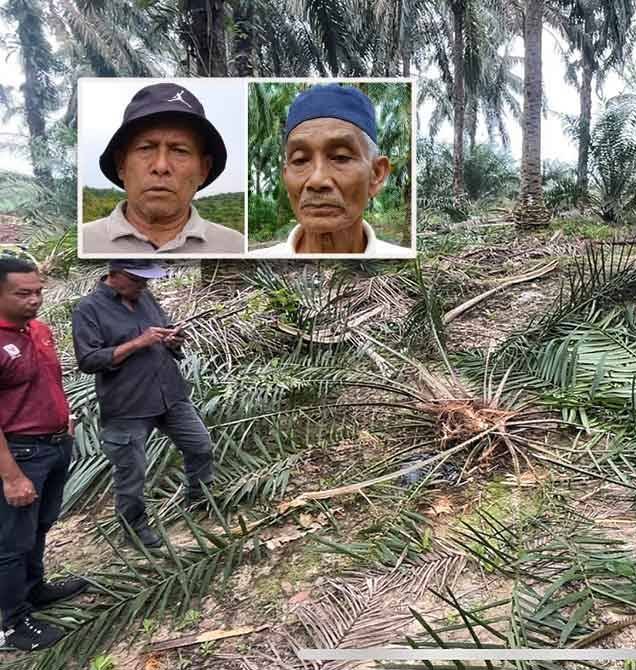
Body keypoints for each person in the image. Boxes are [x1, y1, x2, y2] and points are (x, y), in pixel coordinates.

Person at [71, 260, 214, 549]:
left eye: (146, 280)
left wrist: (173, 339)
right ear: (115, 275)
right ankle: (134, 530)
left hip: (170, 395)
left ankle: (199, 500)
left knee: (201, 446)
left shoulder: (144, 296)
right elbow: (88, 360)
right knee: (131, 472)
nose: (144, 285)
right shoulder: (88, 309)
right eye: (137, 279)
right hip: (128, 404)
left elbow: (162, 332)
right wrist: (138, 342)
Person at [0, 250, 87, 651]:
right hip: (19, 453)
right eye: (23, 294)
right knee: (11, 541)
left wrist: (62, 417)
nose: (35, 300)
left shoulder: (38, 330)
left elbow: (48, 382)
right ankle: (11, 624)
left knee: (40, 526)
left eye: (38, 291)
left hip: (54, 444)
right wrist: (11, 475)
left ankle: (34, 591)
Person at [80, 83, 244, 254]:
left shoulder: (235, 247)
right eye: (145, 148)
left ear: (204, 169)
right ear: (121, 164)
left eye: (179, 150)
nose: (161, 166)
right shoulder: (84, 241)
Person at [249, 84, 412, 258]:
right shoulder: (256, 264)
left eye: (341, 157)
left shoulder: (406, 266)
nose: (317, 180)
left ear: (377, 174)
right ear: (285, 176)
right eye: (300, 160)